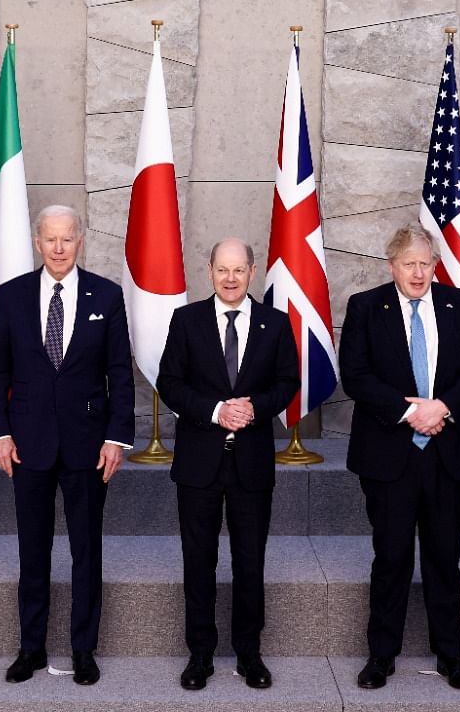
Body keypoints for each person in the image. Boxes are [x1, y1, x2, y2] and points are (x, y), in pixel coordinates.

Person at [0, 205, 134, 686]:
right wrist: (0, 433)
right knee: (33, 550)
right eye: (50, 239)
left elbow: (119, 374)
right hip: (28, 445)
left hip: (88, 446)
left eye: (67, 239)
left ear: (81, 240)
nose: (59, 248)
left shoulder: (106, 296)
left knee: (87, 550)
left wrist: (117, 438)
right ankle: (30, 647)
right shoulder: (12, 296)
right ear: (37, 241)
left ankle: (84, 650)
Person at [339, 224, 460, 691]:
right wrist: (411, 412)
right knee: (391, 557)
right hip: (389, 455)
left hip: (447, 451)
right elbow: (356, 376)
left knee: (445, 557)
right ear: (392, 266)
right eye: (410, 264)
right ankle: (381, 656)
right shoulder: (366, 307)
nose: (419, 272)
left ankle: (451, 656)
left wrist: (442, 407)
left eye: (426, 263)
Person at [157, 238, 299, 691]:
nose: (231, 278)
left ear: (253, 271)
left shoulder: (275, 324)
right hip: (199, 462)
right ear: (210, 270)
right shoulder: (186, 320)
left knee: (249, 562)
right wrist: (217, 410)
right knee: (198, 560)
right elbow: (170, 383)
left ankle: (249, 653)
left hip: (252, 463)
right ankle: (199, 655)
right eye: (223, 269)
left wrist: (253, 407)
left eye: (239, 270)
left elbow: (288, 382)